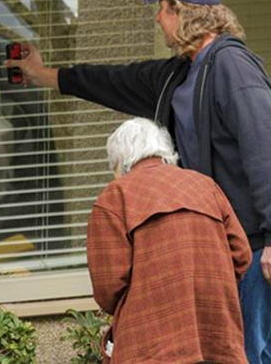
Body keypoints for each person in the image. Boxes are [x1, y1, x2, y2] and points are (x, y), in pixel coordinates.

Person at [6, 0, 271, 363]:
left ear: (181, 11)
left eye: (162, 9)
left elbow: (270, 147)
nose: (157, 18)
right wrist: (41, 75)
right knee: (235, 351)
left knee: (248, 352)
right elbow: (114, 81)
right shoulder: (181, 74)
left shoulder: (233, 68)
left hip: (255, 238)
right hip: (225, 238)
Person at [87, 118, 252, 363]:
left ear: (121, 162)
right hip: (215, 331)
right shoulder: (205, 185)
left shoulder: (116, 196)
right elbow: (241, 255)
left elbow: (108, 286)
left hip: (151, 340)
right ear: (165, 152)